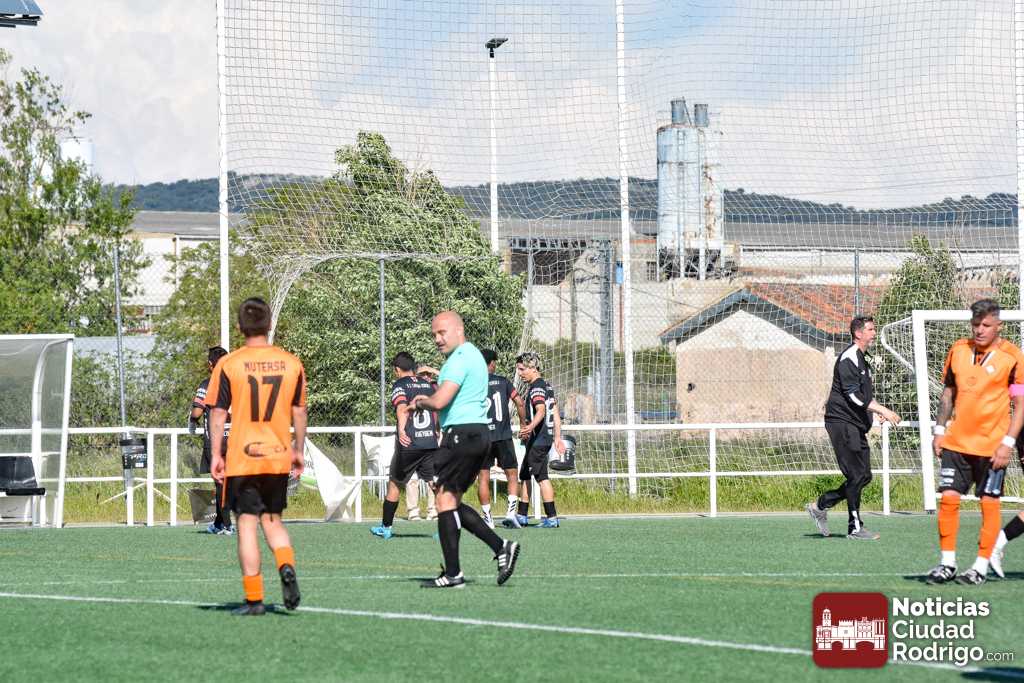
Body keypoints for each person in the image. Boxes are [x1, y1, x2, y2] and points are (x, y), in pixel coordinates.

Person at [207, 297, 307, 615]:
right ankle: (286, 565)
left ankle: (254, 600)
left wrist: (216, 454)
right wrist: (298, 449)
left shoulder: (229, 364)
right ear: (269, 324)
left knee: (247, 525)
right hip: (277, 455)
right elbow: (299, 410)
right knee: (273, 521)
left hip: (243, 457)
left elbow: (218, 412)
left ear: (240, 327)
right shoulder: (291, 363)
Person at [408, 311, 520, 588]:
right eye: (434, 334)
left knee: (444, 500)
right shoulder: (472, 356)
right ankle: (501, 547)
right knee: (451, 501)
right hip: (476, 434)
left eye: (442, 333)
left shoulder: (459, 359)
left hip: (462, 434)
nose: (437, 339)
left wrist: (420, 402)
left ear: (459, 330)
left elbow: (440, 401)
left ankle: (453, 574)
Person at [926, 299, 1024, 585]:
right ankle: (947, 563)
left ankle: (980, 567)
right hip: (956, 443)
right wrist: (939, 430)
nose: (980, 330)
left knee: (989, 504)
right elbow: (948, 393)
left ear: (998, 326)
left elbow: (1020, 405)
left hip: (992, 447)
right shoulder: (958, 349)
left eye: (986, 325)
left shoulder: (1013, 357)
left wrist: (1008, 442)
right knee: (948, 499)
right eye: (975, 324)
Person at [806, 316, 900, 540]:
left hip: (855, 424)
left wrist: (876, 410)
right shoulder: (848, 357)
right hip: (841, 423)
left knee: (864, 476)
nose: (874, 333)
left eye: (874, 329)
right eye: (870, 329)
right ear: (858, 333)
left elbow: (864, 396)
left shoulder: (863, 358)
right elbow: (853, 397)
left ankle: (820, 505)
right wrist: (884, 410)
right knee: (856, 475)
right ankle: (855, 528)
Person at [371, 352, 439, 539]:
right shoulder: (427, 384)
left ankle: (386, 527)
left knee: (395, 483)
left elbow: (402, 408)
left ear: (397, 369)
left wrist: (402, 430)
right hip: (430, 442)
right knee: (435, 484)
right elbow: (437, 408)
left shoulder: (400, 384)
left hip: (409, 443)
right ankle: (447, 528)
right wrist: (437, 430)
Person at [476, 348, 527, 529]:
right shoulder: (503, 382)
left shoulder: (473, 384)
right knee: (512, 474)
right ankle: (510, 514)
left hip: (482, 438)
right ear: (491, 363)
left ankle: (488, 519)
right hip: (503, 435)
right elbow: (519, 402)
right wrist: (523, 424)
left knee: (483, 477)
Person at [514, 352, 564, 529]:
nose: (520, 373)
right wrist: (557, 437)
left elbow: (541, 410)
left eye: (522, 369)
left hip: (539, 440)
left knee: (542, 478)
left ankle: (552, 517)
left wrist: (529, 427)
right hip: (543, 439)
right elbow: (555, 414)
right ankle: (522, 515)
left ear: (533, 368)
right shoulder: (547, 386)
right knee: (525, 474)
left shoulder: (536, 388)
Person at [189, 346, 233, 535]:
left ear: (210, 364)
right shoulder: (237, 383)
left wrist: (192, 420)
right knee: (226, 483)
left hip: (215, 442)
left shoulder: (207, 384)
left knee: (220, 483)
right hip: (235, 439)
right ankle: (218, 524)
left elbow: (197, 412)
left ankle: (227, 524)